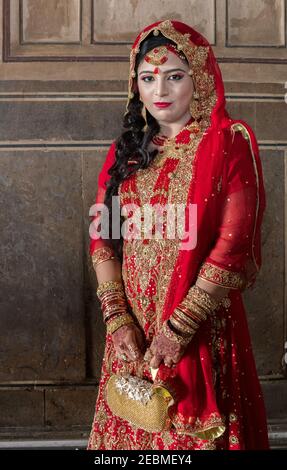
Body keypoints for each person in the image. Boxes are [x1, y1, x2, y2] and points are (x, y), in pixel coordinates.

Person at [87, 19, 269, 450]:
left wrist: (179, 327)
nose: (160, 91)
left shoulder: (227, 142)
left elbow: (233, 243)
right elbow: (103, 236)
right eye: (148, 78)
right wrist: (117, 318)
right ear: (137, 86)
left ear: (200, 77)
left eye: (174, 76)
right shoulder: (127, 150)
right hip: (134, 327)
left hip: (199, 323)